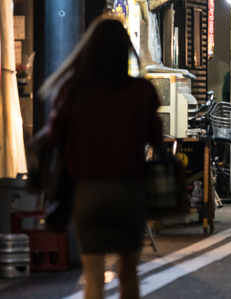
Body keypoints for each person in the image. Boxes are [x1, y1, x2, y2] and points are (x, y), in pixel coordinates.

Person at [42, 15, 164, 299]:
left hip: (87, 191)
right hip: (129, 190)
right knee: (128, 273)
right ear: (125, 50)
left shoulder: (73, 90)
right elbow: (156, 139)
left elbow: (54, 139)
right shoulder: (141, 91)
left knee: (93, 275)